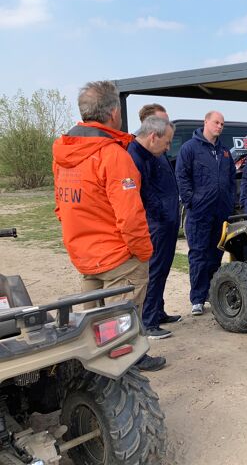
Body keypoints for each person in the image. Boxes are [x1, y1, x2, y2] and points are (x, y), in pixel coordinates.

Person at [52, 80, 164, 372]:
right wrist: (143, 252)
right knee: (119, 335)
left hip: (85, 256)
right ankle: (122, 387)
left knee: (93, 334)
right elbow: (130, 215)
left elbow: (61, 205)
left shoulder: (63, 152)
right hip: (118, 259)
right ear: (114, 111)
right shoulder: (112, 154)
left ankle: (95, 378)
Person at [175, 111, 236, 316]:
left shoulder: (224, 152)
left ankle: (212, 292)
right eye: (216, 122)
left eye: (222, 123)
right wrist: (191, 200)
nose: (220, 126)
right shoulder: (190, 149)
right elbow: (182, 177)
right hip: (199, 213)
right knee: (198, 255)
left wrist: (230, 202)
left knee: (216, 254)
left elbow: (230, 180)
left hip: (221, 212)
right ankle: (197, 298)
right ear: (206, 122)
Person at [128, 114, 182, 339]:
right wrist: (160, 216)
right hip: (155, 225)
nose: (168, 147)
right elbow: (144, 194)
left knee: (162, 271)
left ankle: (157, 312)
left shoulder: (153, 154)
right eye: (167, 142)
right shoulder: (135, 156)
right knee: (154, 272)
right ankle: (148, 322)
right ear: (153, 137)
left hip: (166, 222)